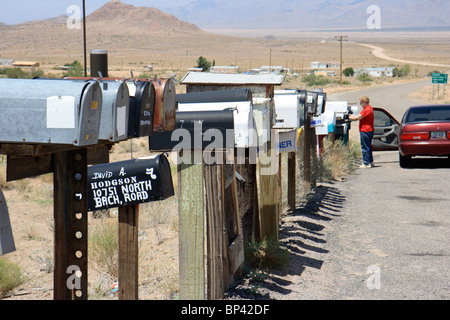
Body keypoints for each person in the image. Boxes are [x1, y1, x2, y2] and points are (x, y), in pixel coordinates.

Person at [349, 96, 374, 168]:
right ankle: (371, 161)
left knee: (365, 147)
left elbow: (358, 117)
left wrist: (348, 117)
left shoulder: (366, 109)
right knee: (368, 146)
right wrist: (351, 116)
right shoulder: (370, 108)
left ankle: (366, 163)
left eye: (361, 103)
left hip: (365, 130)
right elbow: (358, 116)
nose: (360, 104)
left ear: (364, 102)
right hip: (370, 130)